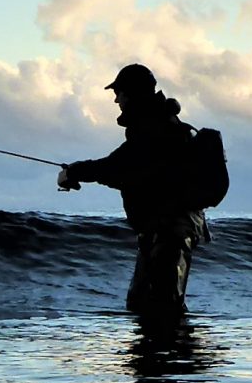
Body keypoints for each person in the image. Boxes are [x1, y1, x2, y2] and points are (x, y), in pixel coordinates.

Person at [57, 63, 211, 319]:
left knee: (163, 308)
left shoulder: (154, 128)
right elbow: (133, 175)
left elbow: (117, 167)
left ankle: (172, 357)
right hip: (166, 230)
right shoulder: (159, 124)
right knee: (145, 306)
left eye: (119, 92)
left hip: (170, 232)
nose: (116, 99)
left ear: (133, 93)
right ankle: (166, 356)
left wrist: (73, 172)